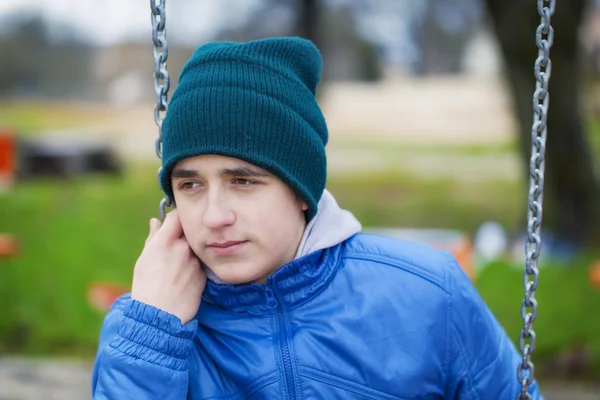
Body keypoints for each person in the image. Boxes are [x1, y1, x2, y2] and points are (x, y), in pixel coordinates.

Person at [91, 37, 543, 399]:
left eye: (244, 181)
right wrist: (153, 332)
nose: (214, 216)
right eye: (190, 185)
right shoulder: (147, 328)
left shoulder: (429, 296)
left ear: (301, 192)